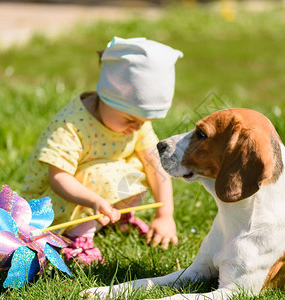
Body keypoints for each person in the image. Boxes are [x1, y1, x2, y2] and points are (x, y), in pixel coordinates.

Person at [21, 37, 183, 265]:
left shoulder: (134, 121)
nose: (137, 127)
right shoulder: (72, 125)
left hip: (95, 194)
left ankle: (104, 220)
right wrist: (94, 201)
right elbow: (58, 177)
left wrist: (165, 216)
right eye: (131, 119)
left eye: (145, 121)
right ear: (106, 98)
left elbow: (155, 165)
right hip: (50, 203)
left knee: (147, 165)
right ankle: (75, 239)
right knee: (107, 175)